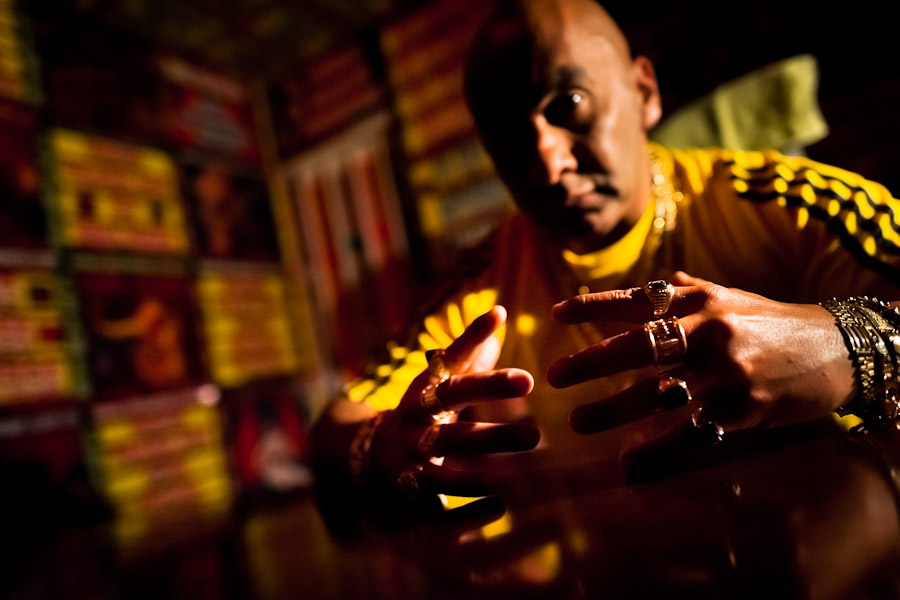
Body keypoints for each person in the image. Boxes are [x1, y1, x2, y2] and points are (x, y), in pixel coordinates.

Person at [310, 0, 900, 507]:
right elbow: (336, 426)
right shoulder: (481, 285)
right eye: (509, 133)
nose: (546, 161)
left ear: (644, 92)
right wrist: (384, 447)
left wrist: (844, 346)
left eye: (567, 105)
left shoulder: (785, 201)